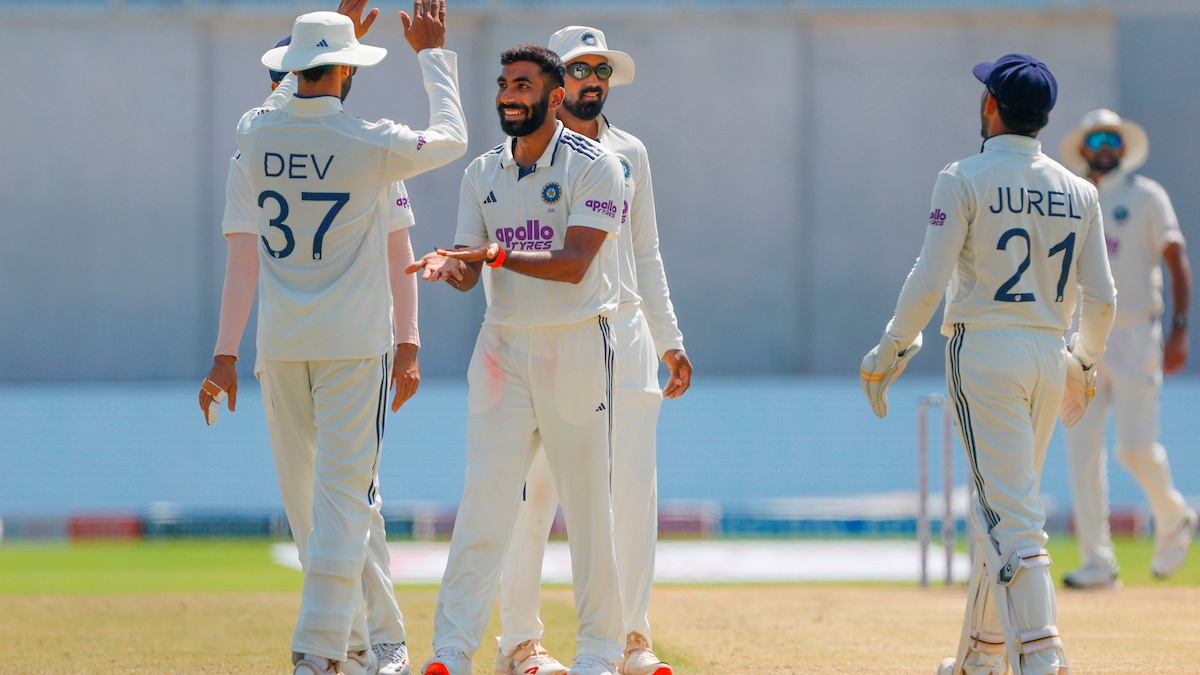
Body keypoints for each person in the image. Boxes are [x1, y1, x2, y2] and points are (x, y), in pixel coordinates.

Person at [198, 4, 467, 673]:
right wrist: (433, 56)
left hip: (284, 346)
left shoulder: (252, 135)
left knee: (334, 502)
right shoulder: (370, 141)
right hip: (349, 347)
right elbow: (453, 137)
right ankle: (349, 645)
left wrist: (225, 354)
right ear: (347, 69)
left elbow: (244, 256)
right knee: (339, 502)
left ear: (290, 70)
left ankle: (337, 649)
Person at [859, 54, 1115, 675]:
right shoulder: (1079, 190)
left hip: (985, 352)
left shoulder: (963, 176)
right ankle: (980, 655)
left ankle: (1043, 654)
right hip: (1050, 356)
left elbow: (929, 277)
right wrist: (1083, 363)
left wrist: (892, 346)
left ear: (992, 107)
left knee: (1009, 513)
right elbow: (1102, 299)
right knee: (1002, 504)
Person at [407, 44, 626, 675]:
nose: (508, 94)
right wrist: (450, 266)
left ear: (555, 98)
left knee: (586, 507)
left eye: (523, 85)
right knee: (485, 503)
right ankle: (451, 652)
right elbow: (469, 267)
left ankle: (600, 653)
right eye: (503, 84)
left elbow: (576, 261)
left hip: (576, 343)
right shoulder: (482, 172)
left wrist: (492, 257)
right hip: (502, 347)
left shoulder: (596, 165)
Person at [490, 26, 691, 675]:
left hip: (628, 334)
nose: (592, 79)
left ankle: (632, 637)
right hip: (559, 337)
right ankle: (518, 640)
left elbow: (647, 251)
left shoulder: (631, 152)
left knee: (634, 493)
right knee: (538, 491)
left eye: (600, 68)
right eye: (579, 69)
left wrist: (670, 338)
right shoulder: (530, 154)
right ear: (556, 82)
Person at [1057, 109, 1196, 589]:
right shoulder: (1070, 197)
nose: (1103, 146)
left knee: (1135, 449)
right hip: (1085, 339)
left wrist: (1179, 330)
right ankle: (1098, 562)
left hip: (1138, 334)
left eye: (1111, 138)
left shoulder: (1146, 196)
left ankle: (1174, 516)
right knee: (1081, 449)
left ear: (1122, 147)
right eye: (1094, 137)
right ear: (1082, 147)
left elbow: (1177, 263)